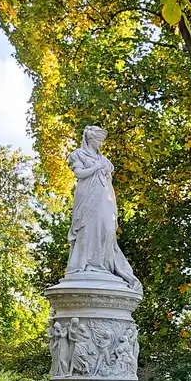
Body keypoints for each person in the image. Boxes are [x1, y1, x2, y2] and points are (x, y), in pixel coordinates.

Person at [66, 125, 141, 291]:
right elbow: (79, 174)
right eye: (98, 140)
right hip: (87, 196)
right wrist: (95, 168)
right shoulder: (78, 154)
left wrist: (103, 169)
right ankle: (85, 263)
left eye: (101, 140)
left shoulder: (104, 159)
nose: (100, 143)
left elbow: (108, 176)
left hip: (104, 197)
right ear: (89, 139)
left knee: (107, 228)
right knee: (88, 228)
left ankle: (103, 265)